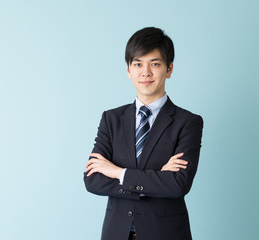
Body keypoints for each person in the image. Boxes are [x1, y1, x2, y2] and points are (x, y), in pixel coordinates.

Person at [84, 27, 204, 240]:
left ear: (169, 69)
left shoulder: (188, 122)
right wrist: (158, 178)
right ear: (128, 70)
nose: (145, 72)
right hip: (116, 233)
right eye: (138, 64)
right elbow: (92, 180)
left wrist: (118, 173)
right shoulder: (111, 120)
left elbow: (178, 184)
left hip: (165, 234)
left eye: (155, 64)